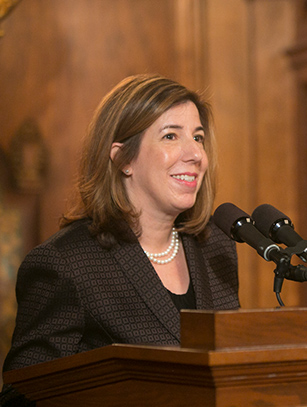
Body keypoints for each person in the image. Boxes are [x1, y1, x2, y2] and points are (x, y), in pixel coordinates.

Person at [0, 74, 239, 403]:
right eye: (171, 136)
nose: (196, 154)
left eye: (198, 138)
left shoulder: (217, 247)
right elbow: (21, 398)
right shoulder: (66, 264)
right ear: (123, 159)